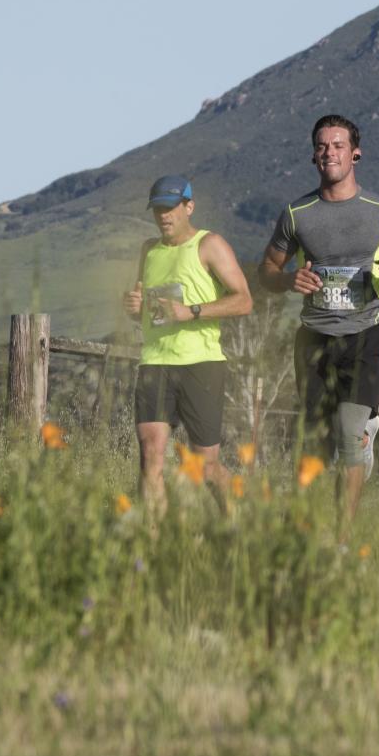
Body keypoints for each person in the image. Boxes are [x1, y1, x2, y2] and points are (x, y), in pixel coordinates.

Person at [259, 114, 379, 540]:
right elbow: (266, 271)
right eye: (322, 146)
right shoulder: (296, 214)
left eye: (337, 145)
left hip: (364, 334)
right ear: (313, 156)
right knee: (314, 443)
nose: (329, 152)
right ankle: (305, 531)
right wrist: (288, 280)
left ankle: (343, 539)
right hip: (313, 338)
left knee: (350, 436)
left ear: (355, 154)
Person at [122, 175, 252, 512]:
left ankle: (237, 522)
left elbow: (244, 301)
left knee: (204, 465)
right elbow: (145, 310)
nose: (163, 215)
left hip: (201, 364)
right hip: (154, 362)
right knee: (150, 456)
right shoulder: (149, 250)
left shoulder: (210, 245)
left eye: (170, 208)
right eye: (157, 209)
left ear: (189, 207)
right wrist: (134, 308)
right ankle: (151, 540)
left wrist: (191, 311)